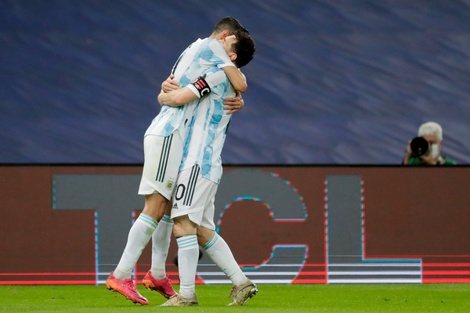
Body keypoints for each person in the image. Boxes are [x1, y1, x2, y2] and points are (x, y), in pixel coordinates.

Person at [105, 17, 249, 305]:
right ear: (225, 38)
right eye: (231, 48)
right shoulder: (212, 49)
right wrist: (164, 96)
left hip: (182, 141)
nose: (230, 55)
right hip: (171, 133)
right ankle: (123, 274)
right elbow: (239, 83)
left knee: (171, 209)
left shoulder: (197, 53)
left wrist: (164, 93)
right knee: (159, 207)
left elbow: (224, 87)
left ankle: (159, 275)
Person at [157, 30, 257, 307]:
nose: (218, 43)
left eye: (225, 43)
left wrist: (163, 96)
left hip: (197, 161)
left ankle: (186, 294)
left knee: (183, 224)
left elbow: (178, 99)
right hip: (208, 162)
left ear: (231, 55)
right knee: (201, 230)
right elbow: (238, 84)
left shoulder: (216, 76)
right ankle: (241, 282)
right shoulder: (232, 78)